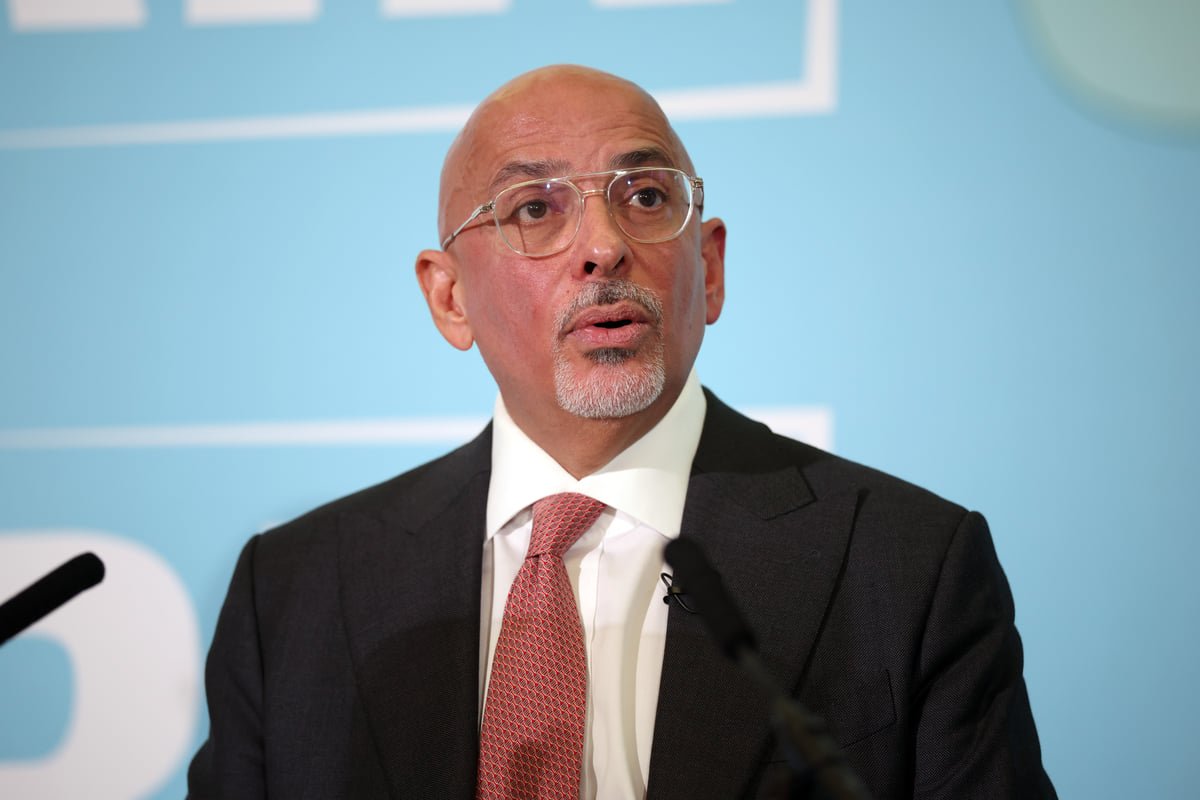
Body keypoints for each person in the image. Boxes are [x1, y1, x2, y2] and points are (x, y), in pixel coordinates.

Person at [187, 64, 1056, 799]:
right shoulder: (294, 591)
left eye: (644, 197)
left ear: (708, 269)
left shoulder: (907, 565)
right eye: (534, 209)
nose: (602, 246)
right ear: (448, 297)